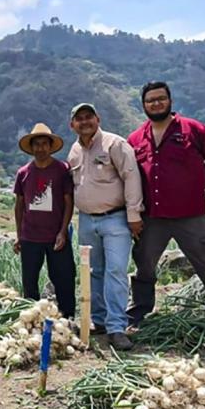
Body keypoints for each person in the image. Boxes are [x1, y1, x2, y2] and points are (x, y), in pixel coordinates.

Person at [127, 81, 205, 334]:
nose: (156, 103)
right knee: (144, 266)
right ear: (143, 105)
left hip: (190, 216)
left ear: (170, 101)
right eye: (150, 100)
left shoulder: (194, 130)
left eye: (160, 98)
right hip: (153, 217)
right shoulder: (135, 139)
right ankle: (138, 314)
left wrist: (196, 187)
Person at [67, 103, 143, 351]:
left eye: (89, 117)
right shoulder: (75, 151)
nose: (85, 122)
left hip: (116, 219)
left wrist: (134, 215)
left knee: (116, 271)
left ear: (98, 119)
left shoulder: (115, 144)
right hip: (87, 220)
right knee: (93, 271)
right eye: (79, 119)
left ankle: (117, 327)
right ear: (72, 125)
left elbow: (131, 177)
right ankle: (98, 321)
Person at [13, 123, 76, 318]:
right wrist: (19, 235)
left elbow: (68, 202)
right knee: (29, 281)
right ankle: (32, 319)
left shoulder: (61, 170)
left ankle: (67, 317)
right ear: (31, 148)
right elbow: (19, 205)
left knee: (64, 278)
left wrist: (63, 231)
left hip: (56, 236)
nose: (40, 148)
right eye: (37, 144)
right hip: (31, 236)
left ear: (50, 146)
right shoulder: (23, 173)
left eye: (44, 144)